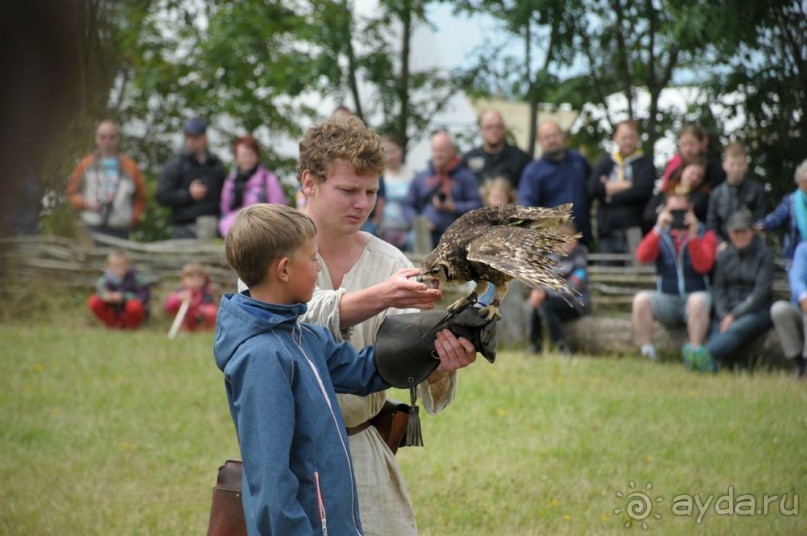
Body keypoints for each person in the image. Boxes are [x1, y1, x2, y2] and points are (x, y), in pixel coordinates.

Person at [215, 203, 471, 534]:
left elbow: (363, 371)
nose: (319, 265)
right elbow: (270, 484)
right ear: (284, 270)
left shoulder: (303, 336)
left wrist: (435, 343)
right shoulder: (262, 357)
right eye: (313, 258)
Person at [296, 116, 477, 535]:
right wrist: (381, 296)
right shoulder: (269, 246)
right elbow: (294, 318)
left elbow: (410, 356)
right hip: (289, 456)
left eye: (372, 192)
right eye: (348, 190)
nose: (362, 203)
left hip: (363, 450)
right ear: (309, 182)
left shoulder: (391, 263)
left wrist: (440, 362)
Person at [632, 193, 717, 361]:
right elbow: (642, 257)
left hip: (695, 296)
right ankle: (647, 353)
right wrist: (658, 228)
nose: (677, 216)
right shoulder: (661, 234)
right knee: (640, 300)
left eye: (681, 211)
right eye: (673, 211)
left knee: (697, 302)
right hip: (667, 298)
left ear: (690, 210)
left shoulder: (705, 233)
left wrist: (692, 237)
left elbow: (703, 266)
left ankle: (695, 355)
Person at [697, 210, 773, 372]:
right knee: (719, 329)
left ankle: (703, 354)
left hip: (756, 311)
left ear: (752, 232)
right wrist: (724, 314)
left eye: (743, 231)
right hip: (726, 311)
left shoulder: (764, 255)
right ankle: (709, 364)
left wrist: (734, 315)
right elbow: (718, 289)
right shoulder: (724, 255)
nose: (740, 236)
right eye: (735, 232)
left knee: (735, 328)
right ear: (730, 233)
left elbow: (761, 293)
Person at [66, 120, 147, 239]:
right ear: (96, 139)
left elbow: (141, 197)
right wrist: (86, 203)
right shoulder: (86, 164)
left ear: (117, 139)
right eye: (102, 137)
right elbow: (72, 193)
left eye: (111, 137)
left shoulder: (130, 166)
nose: (107, 141)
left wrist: (133, 218)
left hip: (120, 227)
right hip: (92, 225)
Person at [588, 119, 656, 259]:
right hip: (608, 230)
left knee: (636, 270)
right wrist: (627, 185)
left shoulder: (645, 162)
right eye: (624, 138)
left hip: (635, 230)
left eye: (631, 137)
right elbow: (593, 188)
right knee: (607, 271)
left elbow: (642, 191)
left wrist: (610, 192)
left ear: (638, 138)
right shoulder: (606, 162)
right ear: (615, 138)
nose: (628, 142)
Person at [518, 120, 593, 245]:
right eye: (547, 137)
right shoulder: (533, 172)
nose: (552, 140)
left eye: (555, 135)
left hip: (583, 238)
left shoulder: (579, 162)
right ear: (539, 141)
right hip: (552, 243)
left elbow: (594, 187)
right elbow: (527, 208)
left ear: (563, 136)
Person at [404, 130, 483, 248]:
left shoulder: (466, 177)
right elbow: (408, 205)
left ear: (452, 150)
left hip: (457, 234)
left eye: (442, 150)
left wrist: (453, 207)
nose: (438, 154)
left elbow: (477, 205)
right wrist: (419, 223)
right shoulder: (421, 178)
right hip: (426, 233)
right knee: (413, 239)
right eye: (435, 150)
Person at [155, 117, 227, 239]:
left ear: (205, 138)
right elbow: (161, 196)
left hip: (212, 226)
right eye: (189, 137)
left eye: (196, 137)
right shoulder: (175, 165)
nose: (192, 141)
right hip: (184, 228)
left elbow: (225, 196)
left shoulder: (216, 166)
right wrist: (188, 194)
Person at [528, 221, 591, 355]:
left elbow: (571, 288)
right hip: (554, 300)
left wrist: (546, 294)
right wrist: (538, 292)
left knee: (546, 306)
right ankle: (535, 345)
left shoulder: (579, 261)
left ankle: (561, 347)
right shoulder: (551, 260)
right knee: (538, 305)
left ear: (574, 242)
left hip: (576, 303)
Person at [218, 135, 286, 237]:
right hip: (235, 232)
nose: (246, 159)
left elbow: (279, 209)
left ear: (257, 156)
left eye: (250, 154)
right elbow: (225, 209)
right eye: (243, 155)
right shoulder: (231, 181)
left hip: (263, 231)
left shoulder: (268, 179)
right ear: (236, 157)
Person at [706, 142, 767, 244]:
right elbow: (711, 226)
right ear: (724, 165)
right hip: (724, 244)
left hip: (750, 244)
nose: (736, 168)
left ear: (746, 166)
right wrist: (720, 243)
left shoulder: (757, 190)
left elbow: (760, 221)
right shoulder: (716, 194)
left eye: (740, 164)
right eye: (732, 164)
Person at [460, 110, 531, 189]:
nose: (494, 131)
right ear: (481, 130)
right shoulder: (468, 159)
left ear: (504, 129)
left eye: (498, 126)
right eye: (489, 127)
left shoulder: (520, 159)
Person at [755, 159, 807, 260]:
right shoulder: (791, 201)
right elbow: (777, 217)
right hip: (795, 257)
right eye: (805, 180)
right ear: (800, 181)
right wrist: (763, 224)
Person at [770, 241, 807, 378]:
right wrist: (803, 295)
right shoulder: (804, 249)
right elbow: (797, 278)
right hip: (802, 306)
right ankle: (800, 365)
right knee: (779, 310)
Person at [87, 250, 150, 329]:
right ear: (108, 266)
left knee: (134, 306)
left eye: (121, 266)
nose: (117, 269)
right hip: (112, 311)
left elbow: (144, 296)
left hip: (129, 313)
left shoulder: (137, 278)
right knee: (94, 301)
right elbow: (99, 292)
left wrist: (124, 297)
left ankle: (131, 327)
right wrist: (106, 296)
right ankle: (111, 325)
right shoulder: (103, 280)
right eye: (114, 266)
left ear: (127, 265)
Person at [644, 160, 710, 229]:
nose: (694, 178)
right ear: (683, 170)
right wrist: (662, 217)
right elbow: (648, 215)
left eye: (699, 177)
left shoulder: (700, 198)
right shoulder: (665, 191)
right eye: (692, 173)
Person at [660, 123, 725, 191]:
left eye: (691, 144)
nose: (688, 149)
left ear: (701, 144)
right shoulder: (676, 172)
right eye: (684, 145)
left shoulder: (715, 169)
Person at [379, 134, 415, 250]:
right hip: (382, 230)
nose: (390, 156)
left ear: (401, 151)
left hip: (407, 230)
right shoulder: (378, 176)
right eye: (386, 152)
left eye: (393, 151)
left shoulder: (412, 175)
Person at [163, 263, 219, 332]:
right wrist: (178, 298)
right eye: (191, 278)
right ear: (183, 280)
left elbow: (212, 311)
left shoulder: (206, 294)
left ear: (204, 280)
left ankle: (206, 331)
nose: (195, 281)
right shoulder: (179, 292)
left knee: (210, 311)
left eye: (199, 278)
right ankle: (183, 332)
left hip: (200, 323)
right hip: (184, 323)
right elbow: (167, 307)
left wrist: (194, 305)